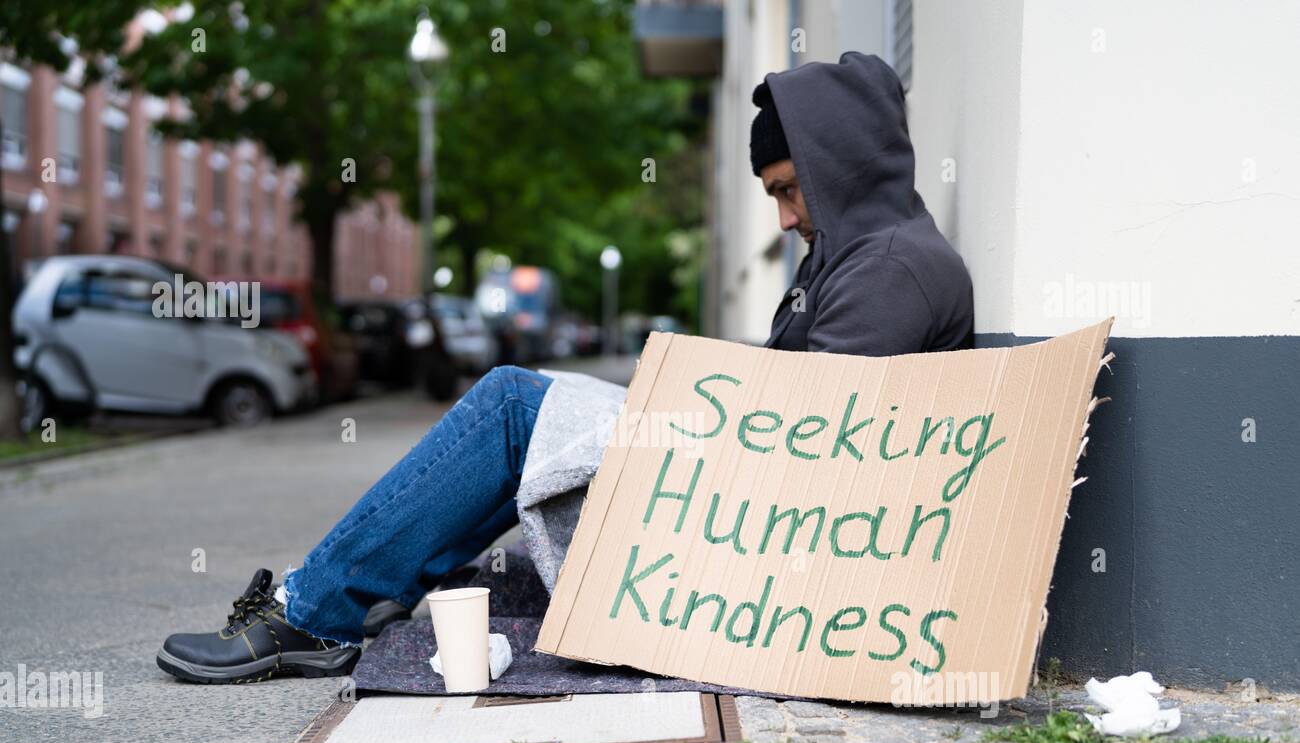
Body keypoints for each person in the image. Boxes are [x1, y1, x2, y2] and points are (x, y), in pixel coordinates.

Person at [156, 52, 975, 684]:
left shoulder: (892, 268)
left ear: (844, 167)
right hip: (748, 496)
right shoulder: (861, 254)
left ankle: (311, 612)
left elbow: (799, 452)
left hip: (762, 538)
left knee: (518, 405)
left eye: (793, 189)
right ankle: (356, 594)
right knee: (540, 406)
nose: (789, 216)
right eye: (773, 196)